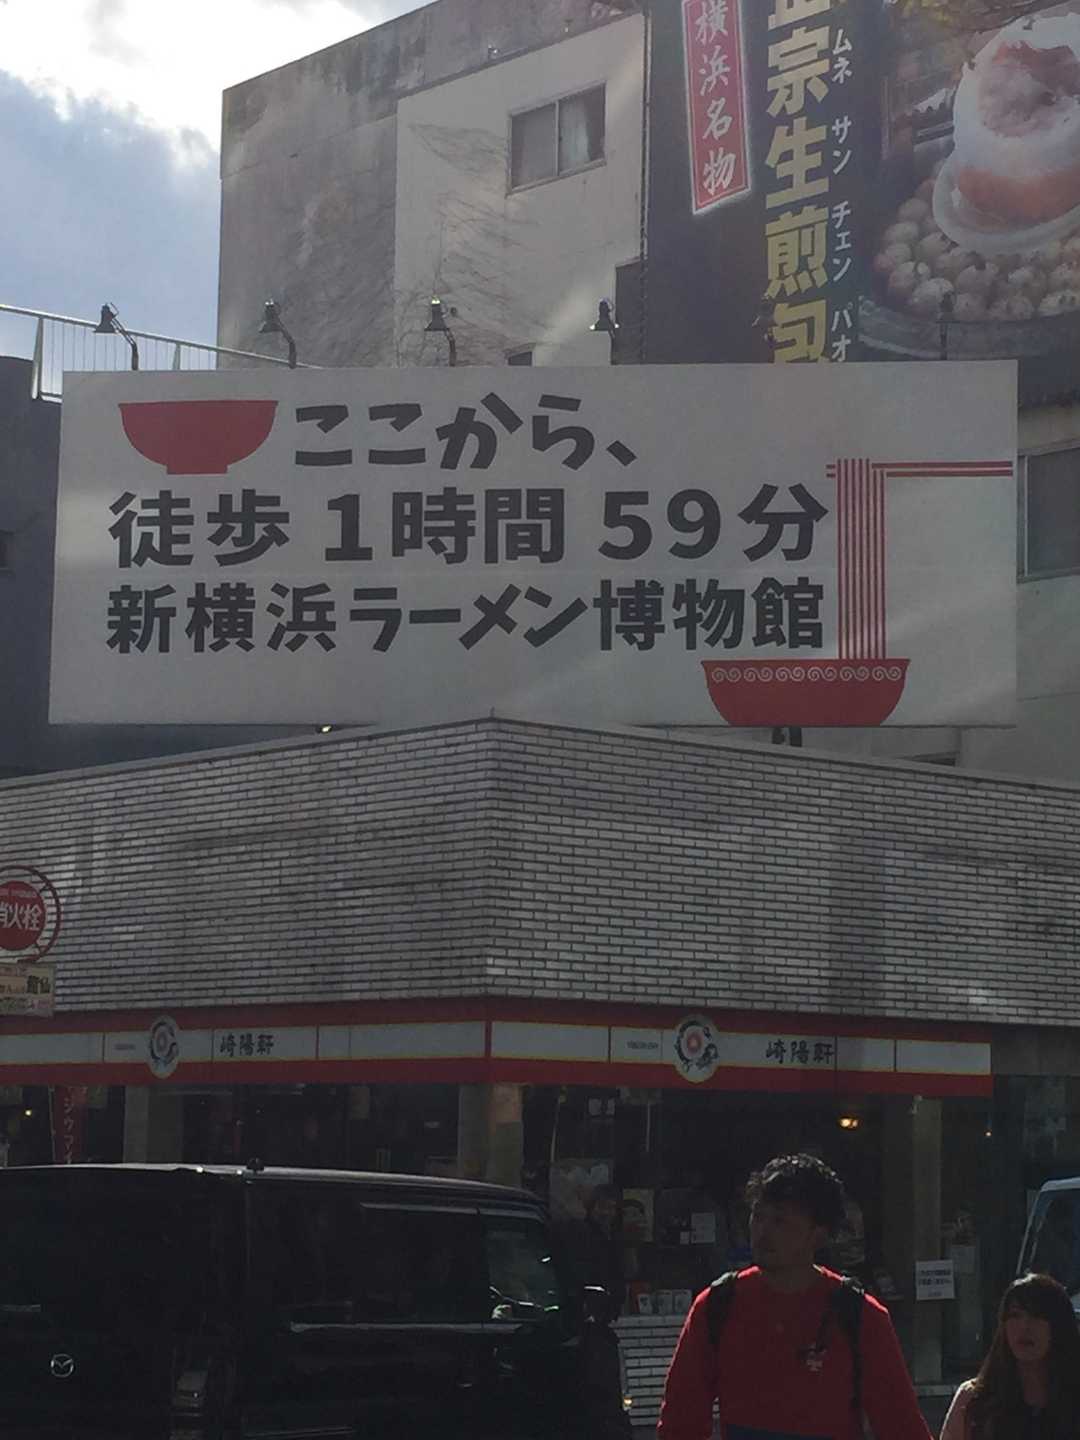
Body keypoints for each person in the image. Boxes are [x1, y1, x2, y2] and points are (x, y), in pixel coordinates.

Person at [657, 1153, 932, 1440]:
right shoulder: (717, 1306)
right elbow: (680, 1424)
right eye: (758, 1216)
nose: (763, 1232)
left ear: (818, 1234)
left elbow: (903, 1427)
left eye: (781, 1221)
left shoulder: (858, 1316)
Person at [940, 1272, 1080, 1440]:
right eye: (1015, 1315)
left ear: (1059, 1326)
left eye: (1037, 1316)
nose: (1024, 1326)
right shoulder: (973, 1399)